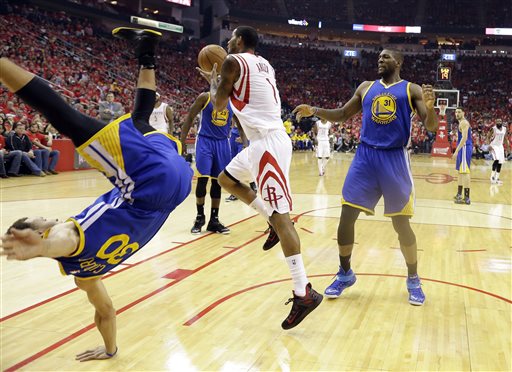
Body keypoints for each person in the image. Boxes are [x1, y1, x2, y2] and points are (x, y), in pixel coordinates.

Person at [0, 28, 193, 361]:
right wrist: (43, 247)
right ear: (40, 231)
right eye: (42, 221)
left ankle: (147, 50)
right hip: (149, 184)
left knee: (139, 122)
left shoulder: (85, 275)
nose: (50, 218)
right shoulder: (63, 237)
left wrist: (109, 349)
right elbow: (61, 240)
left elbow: (106, 311)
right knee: (64, 117)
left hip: (176, 189)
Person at [198, 26, 323, 329]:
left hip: (267, 144)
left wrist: (213, 83)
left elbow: (217, 104)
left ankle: (303, 290)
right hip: (260, 144)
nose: (227, 43)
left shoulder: (232, 62)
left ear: (239, 41)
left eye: (231, 39)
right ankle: (269, 218)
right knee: (225, 179)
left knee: (284, 220)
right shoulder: (265, 63)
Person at [293, 48, 438, 306]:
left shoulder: (411, 89)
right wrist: (315, 109)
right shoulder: (365, 87)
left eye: (386, 57)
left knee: (401, 224)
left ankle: (413, 278)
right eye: (379, 56)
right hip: (365, 156)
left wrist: (430, 108)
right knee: (346, 215)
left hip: (395, 159)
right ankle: (345, 273)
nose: (380, 59)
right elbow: (342, 114)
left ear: (399, 61)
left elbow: (430, 126)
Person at [180, 91, 234, 234]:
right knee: (202, 180)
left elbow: (240, 124)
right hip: (205, 141)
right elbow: (190, 116)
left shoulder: (232, 101)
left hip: (223, 143)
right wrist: (183, 140)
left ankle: (214, 220)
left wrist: (246, 143)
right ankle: (199, 217)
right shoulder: (205, 97)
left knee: (218, 182)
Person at [452, 107, 472, 204]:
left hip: (464, 148)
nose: (457, 114)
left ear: (463, 113)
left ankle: (467, 197)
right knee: (460, 172)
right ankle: (459, 194)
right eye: (456, 112)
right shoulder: (461, 122)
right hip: (463, 149)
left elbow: (464, 138)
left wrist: (456, 151)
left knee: (465, 172)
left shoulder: (464, 122)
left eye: (459, 112)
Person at [488, 118, 508, 184]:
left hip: (500, 146)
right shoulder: (493, 129)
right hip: (494, 145)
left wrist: (507, 147)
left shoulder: (504, 129)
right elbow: (488, 136)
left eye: (500, 121)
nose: (499, 122)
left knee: (500, 162)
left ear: (502, 122)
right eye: (498, 121)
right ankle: (492, 177)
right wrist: (489, 145)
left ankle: (497, 178)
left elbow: (505, 138)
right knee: (497, 159)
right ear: (495, 122)